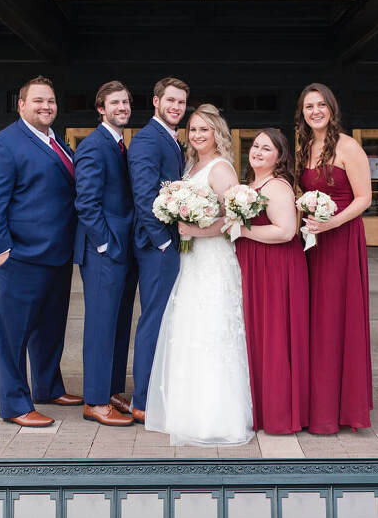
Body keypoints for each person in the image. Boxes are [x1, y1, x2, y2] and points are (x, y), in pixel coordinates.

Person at [0, 75, 81, 428]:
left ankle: (48, 387)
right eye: (38, 101)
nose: (45, 106)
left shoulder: (59, 144)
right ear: (21, 105)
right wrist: (2, 252)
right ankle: (15, 404)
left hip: (56, 255)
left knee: (50, 329)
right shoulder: (2, 145)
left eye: (50, 101)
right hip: (19, 258)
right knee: (13, 336)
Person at [145, 104, 253, 446]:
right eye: (192, 129)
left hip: (213, 260)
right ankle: (187, 411)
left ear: (217, 132)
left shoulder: (221, 169)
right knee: (190, 330)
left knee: (212, 331)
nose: (197, 135)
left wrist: (194, 230)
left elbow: (235, 220)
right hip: (192, 261)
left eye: (204, 129)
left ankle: (217, 417)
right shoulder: (193, 165)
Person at [295, 82, 372, 435]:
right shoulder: (303, 146)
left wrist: (331, 222)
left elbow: (364, 199)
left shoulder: (348, 146)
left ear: (332, 109)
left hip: (340, 240)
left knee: (334, 319)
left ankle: (338, 409)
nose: (315, 111)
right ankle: (314, 403)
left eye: (321, 105)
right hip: (311, 242)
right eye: (309, 106)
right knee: (312, 320)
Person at [234, 129, 309, 434]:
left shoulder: (277, 186)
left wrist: (241, 231)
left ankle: (278, 412)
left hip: (277, 269)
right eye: (255, 146)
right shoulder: (250, 184)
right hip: (257, 265)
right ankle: (261, 407)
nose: (258, 152)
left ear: (280, 156)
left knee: (274, 334)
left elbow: (285, 231)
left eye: (267, 148)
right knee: (259, 334)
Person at [73, 80, 136, 428]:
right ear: (101, 108)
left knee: (118, 324)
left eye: (126, 102)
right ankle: (94, 401)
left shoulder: (120, 145)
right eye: (115, 103)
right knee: (100, 325)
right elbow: (86, 201)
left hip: (122, 251)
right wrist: (105, 244)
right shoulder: (95, 146)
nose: (122, 107)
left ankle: (111, 390)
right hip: (103, 252)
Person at [127, 76, 189, 421]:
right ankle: (143, 401)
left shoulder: (171, 140)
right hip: (157, 246)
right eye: (171, 101)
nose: (176, 107)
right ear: (155, 101)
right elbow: (143, 196)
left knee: (167, 319)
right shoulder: (147, 140)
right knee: (154, 318)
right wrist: (163, 242)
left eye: (181, 102)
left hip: (171, 242)